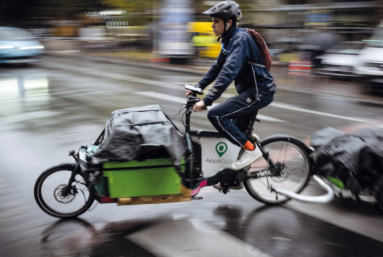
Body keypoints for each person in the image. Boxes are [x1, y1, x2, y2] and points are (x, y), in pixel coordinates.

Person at [187, 1, 277, 195]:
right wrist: (198, 87)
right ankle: (235, 179)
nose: (212, 26)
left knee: (218, 115)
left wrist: (208, 100)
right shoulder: (228, 41)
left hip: (259, 92)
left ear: (228, 23)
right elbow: (217, 67)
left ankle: (251, 149)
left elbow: (228, 72)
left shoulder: (240, 39)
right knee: (234, 129)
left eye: (216, 22)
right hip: (249, 93)